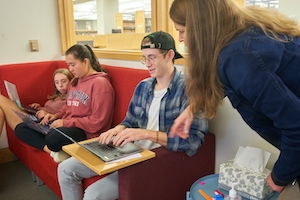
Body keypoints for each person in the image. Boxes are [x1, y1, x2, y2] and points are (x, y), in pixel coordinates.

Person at [169, 0, 300, 198]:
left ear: (201, 28)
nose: (181, 39)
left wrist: (278, 177)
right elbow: (233, 81)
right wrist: (192, 109)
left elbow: (296, 125)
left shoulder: (239, 56)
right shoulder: (242, 38)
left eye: (182, 30)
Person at [57, 31, 208, 200]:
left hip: (153, 159)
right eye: (144, 58)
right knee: (65, 168)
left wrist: (145, 133)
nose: (147, 64)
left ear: (170, 55)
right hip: (127, 150)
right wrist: (116, 130)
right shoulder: (143, 86)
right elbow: (129, 121)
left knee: (93, 195)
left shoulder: (189, 89)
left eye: (152, 57)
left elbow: (193, 141)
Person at [16, 44, 115, 163]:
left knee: (53, 138)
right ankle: (54, 152)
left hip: (87, 132)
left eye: (73, 64)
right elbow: (67, 107)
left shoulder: (100, 84)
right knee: (22, 127)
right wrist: (55, 116)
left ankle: (58, 148)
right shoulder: (74, 81)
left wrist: (65, 122)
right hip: (69, 125)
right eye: (68, 65)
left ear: (85, 61)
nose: (70, 69)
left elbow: (98, 122)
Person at [0, 68, 73, 139]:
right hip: (34, 115)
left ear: (71, 81)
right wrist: (39, 108)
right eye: (57, 82)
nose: (60, 85)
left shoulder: (71, 98)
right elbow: (50, 109)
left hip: (38, 122)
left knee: (1, 99)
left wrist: (46, 114)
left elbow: (63, 116)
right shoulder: (58, 96)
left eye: (63, 81)